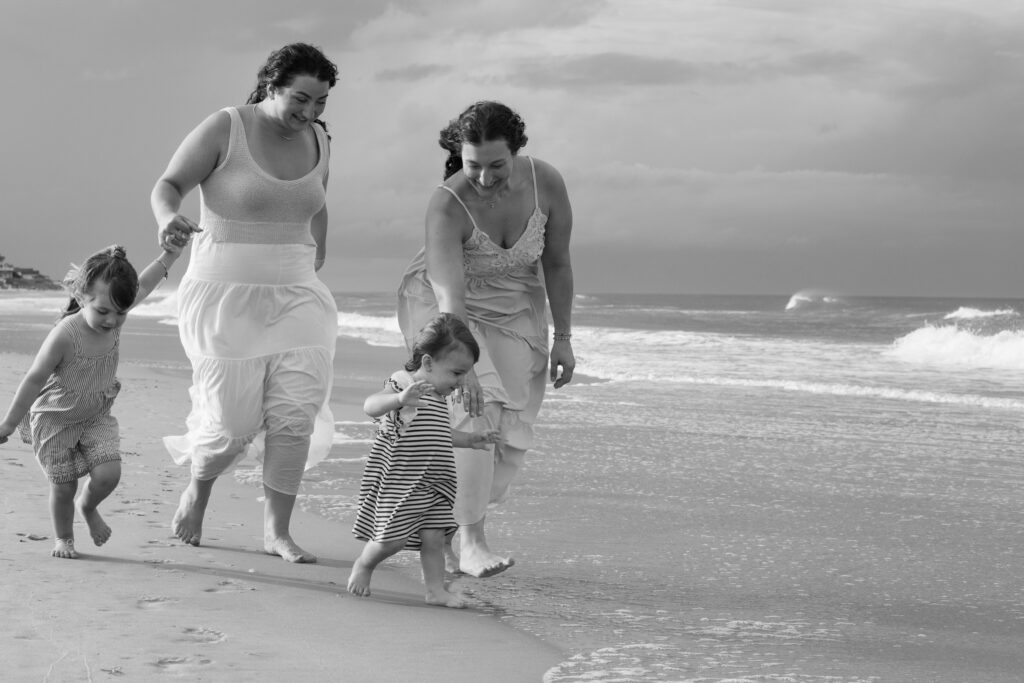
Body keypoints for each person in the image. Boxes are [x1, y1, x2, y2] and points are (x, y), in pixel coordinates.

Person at [150, 43, 339, 563]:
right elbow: (168, 185)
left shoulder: (320, 139)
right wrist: (168, 218)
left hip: (297, 295)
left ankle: (277, 531)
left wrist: (315, 255)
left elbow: (317, 202)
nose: (309, 113)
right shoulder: (224, 127)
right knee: (233, 425)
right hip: (223, 296)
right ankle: (199, 486)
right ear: (271, 86)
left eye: (320, 102)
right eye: (300, 99)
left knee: (295, 415)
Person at [397, 101, 576, 578]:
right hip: (447, 306)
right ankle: (474, 542)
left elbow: (557, 263)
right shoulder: (447, 203)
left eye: (496, 165)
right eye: (472, 164)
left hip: (516, 305)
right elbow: (450, 298)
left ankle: (444, 531)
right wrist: (467, 369)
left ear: (517, 152)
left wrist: (565, 337)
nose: (483, 177)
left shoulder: (548, 183)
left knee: (504, 429)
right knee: (476, 406)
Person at [0, 244, 183, 559]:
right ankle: (64, 539)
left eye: (120, 313)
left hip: (96, 415)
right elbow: (34, 378)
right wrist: (8, 422)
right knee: (63, 485)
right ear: (82, 295)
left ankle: (88, 506)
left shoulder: (114, 305)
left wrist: (171, 254)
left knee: (109, 474)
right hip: (55, 420)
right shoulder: (64, 335)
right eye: (102, 312)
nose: (112, 320)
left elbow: (147, 282)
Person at [348, 313, 499, 607]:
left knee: (435, 537)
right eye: (457, 373)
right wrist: (400, 399)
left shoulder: (439, 395)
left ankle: (435, 591)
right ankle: (364, 565)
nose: (460, 382)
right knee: (393, 539)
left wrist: (469, 440)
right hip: (403, 480)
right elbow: (370, 406)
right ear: (428, 363)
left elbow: (440, 432)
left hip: (435, 482)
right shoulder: (403, 383)